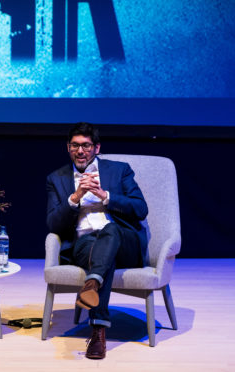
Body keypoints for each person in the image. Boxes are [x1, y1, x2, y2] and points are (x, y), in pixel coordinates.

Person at [46, 122, 148, 359]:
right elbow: (53, 224)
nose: (80, 151)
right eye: (75, 146)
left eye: (86, 146)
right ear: (68, 147)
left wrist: (106, 196)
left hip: (124, 242)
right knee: (102, 256)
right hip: (84, 246)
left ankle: (93, 289)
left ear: (97, 148)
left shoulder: (120, 170)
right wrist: (75, 197)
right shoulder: (56, 178)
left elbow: (141, 209)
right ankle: (97, 324)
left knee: (110, 230)